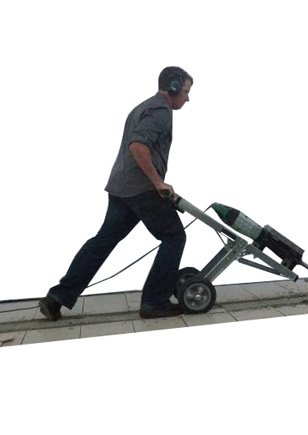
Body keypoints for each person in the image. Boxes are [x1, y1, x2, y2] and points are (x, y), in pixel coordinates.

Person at [39, 66, 193, 321]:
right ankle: (154, 302)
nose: (187, 98)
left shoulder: (142, 107)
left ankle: (57, 298)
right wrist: (158, 183)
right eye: (186, 91)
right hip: (142, 189)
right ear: (174, 87)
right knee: (174, 237)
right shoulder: (161, 111)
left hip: (121, 188)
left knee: (103, 241)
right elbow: (138, 146)